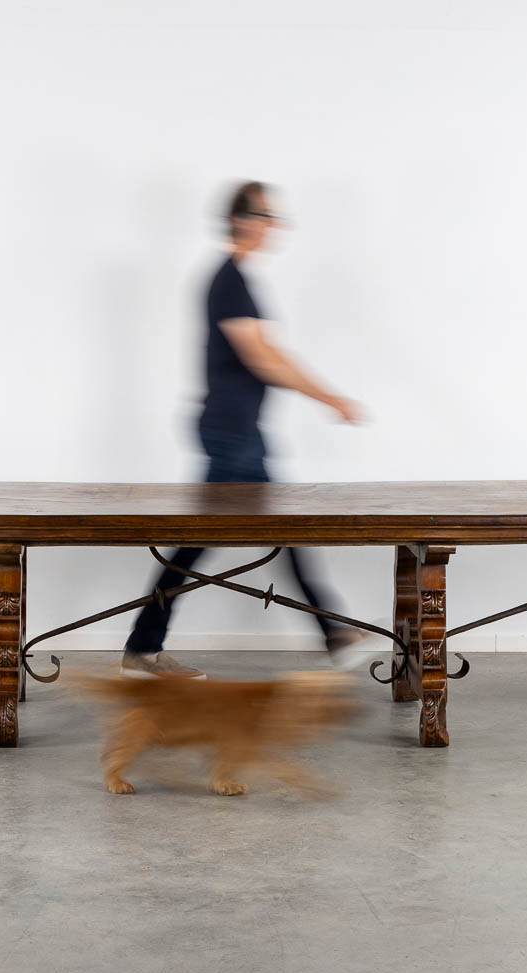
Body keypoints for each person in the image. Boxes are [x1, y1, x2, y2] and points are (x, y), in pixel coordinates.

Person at [121, 181, 364, 679]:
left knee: (209, 541)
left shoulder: (236, 280)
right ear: (244, 221)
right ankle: (332, 629)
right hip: (231, 434)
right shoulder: (230, 281)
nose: (275, 229)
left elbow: (265, 353)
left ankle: (144, 647)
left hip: (236, 431)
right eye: (270, 218)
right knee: (238, 537)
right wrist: (329, 396)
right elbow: (262, 357)